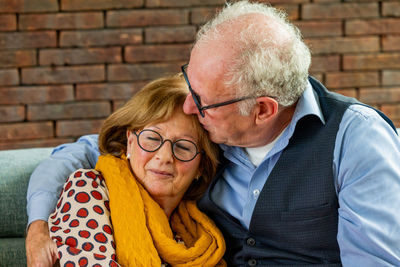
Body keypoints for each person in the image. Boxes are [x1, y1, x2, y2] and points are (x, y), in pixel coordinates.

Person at [26, 1, 400, 266]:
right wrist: (38, 227)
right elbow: (83, 153)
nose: (190, 107)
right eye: (191, 83)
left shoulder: (356, 140)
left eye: (204, 102)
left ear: (262, 110)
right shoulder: (203, 136)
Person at [27, 74, 226, 266]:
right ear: (130, 143)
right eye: (152, 138)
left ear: (201, 166)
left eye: (183, 147)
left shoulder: (201, 232)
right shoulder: (87, 190)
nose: (164, 157)